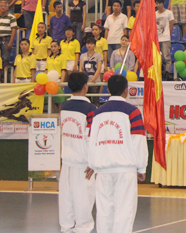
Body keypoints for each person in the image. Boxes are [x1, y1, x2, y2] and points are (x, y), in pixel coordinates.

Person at [88, 74, 148, 233]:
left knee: (104, 211)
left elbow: (92, 139)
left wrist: (92, 164)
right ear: (126, 90)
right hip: (124, 169)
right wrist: (142, 168)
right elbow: (138, 140)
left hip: (103, 169)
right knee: (124, 210)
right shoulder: (133, 112)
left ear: (108, 90)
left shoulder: (98, 113)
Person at [58, 71, 97, 233]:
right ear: (85, 87)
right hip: (83, 163)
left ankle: (66, 227)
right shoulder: (90, 108)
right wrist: (93, 162)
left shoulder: (64, 106)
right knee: (83, 198)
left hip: (67, 159)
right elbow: (91, 137)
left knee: (66, 197)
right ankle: (82, 228)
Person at [0, 1, 17, 68]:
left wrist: (10, 42)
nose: (3, 7)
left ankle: (3, 77)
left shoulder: (11, 17)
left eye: (5, 6)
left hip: (6, 39)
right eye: (1, 6)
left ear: (7, 8)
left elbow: (14, 30)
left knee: (5, 58)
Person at [155, 0, 175, 75]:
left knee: (166, 55)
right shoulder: (154, 14)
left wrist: (168, 35)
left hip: (165, 37)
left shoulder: (169, 13)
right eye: (157, 3)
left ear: (163, 3)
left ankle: (167, 72)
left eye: (160, 3)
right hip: (157, 38)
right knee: (157, 56)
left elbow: (171, 25)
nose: (158, 5)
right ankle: (158, 71)